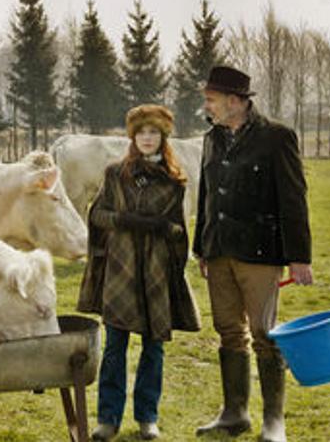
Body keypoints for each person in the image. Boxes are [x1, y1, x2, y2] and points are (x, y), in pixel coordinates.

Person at [193, 65, 313, 442]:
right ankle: (234, 414)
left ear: (235, 101)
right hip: (218, 250)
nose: (207, 106)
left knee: (264, 332)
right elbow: (205, 195)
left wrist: (300, 256)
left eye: (211, 99)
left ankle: (274, 422)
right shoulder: (211, 138)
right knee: (228, 330)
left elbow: (293, 198)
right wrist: (201, 246)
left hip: (260, 251)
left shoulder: (277, 137)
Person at [78, 104, 201, 441]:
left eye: (154, 133)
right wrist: (129, 221)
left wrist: (168, 231)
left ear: (163, 138)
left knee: (153, 348)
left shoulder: (175, 182)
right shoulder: (115, 173)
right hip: (121, 268)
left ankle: (148, 417)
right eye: (142, 133)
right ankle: (108, 418)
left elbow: (179, 228)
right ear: (134, 137)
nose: (147, 138)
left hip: (157, 269)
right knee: (115, 346)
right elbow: (97, 216)